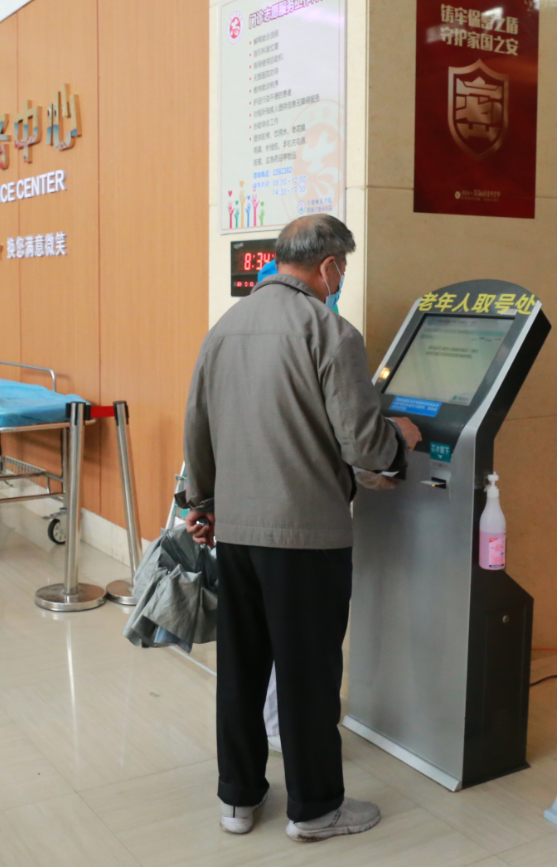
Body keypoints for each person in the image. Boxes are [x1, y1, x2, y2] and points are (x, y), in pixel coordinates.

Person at [181, 214, 422, 842]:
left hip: (236, 533)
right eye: (343, 268)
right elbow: (362, 443)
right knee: (308, 675)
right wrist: (401, 440)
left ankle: (238, 799)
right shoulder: (331, 332)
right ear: (330, 266)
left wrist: (202, 503)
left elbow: (197, 426)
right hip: (306, 535)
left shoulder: (225, 327)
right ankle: (314, 809)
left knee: (241, 669)